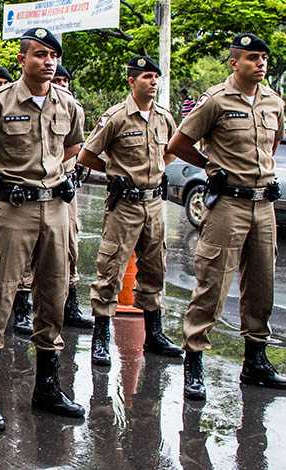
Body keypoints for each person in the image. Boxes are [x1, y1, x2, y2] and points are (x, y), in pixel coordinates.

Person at [0, 28, 86, 430]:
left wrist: (56, 172)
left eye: (53, 56)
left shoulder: (68, 104)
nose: (48, 62)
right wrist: (1, 173)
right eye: (40, 54)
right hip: (14, 210)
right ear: (22, 59)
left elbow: (74, 146)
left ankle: (47, 386)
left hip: (57, 209)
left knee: (55, 294)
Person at [166, 33, 286, 400]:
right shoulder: (215, 101)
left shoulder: (274, 102)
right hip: (228, 204)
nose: (261, 63)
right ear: (235, 63)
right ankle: (194, 362)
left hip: (262, 204)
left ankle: (255, 362)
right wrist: (213, 168)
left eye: (264, 57)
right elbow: (179, 144)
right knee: (212, 283)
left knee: (262, 285)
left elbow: (273, 144)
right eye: (252, 57)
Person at [78, 56, 183, 367]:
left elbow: (173, 146)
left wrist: (159, 168)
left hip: (154, 204)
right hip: (124, 205)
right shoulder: (116, 117)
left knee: (154, 269)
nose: (153, 82)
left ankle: (154, 334)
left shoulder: (163, 117)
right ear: (132, 81)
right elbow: (87, 154)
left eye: (156, 77)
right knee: (110, 271)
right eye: (147, 77)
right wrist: (115, 172)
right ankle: (101, 337)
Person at [0, 65, 34, 336]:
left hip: (18, 194)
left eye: (4, 81)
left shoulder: (22, 107)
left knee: (22, 254)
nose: (0, 86)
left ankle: (21, 306)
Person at [51, 64, 93, 329]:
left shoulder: (75, 109)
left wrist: (77, 171)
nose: (62, 85)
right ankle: (21, 306)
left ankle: (70, 305)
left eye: (65, 80)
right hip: (34, 185)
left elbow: (78, 146)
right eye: (58, 80)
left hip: (64, 188)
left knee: (69, 246)